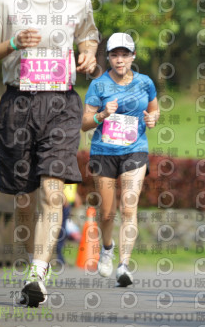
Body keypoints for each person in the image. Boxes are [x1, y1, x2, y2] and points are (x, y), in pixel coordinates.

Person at [0, 0, 99, 307]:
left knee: (52, 190)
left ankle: (38, 274)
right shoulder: (5, 1)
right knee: (25, 200)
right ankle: (33, 263)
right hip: (17, 104)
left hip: (61, 103)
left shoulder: (79, 2)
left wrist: (89, 55)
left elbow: (88, 37)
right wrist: (12, 44)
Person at [81, 32, 159, 287]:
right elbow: (84, 123)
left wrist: (152, 118)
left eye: (124, 54)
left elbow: (154, 109)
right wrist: (103, 113)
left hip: (135, 150)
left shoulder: (145, 82)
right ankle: (107, 247)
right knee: (107, 212)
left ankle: (124, 265)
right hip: (104, 152)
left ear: (133, 57)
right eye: (114, 55)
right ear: (109, 58)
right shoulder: (99, 85)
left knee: (128, 206)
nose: (119, 59)